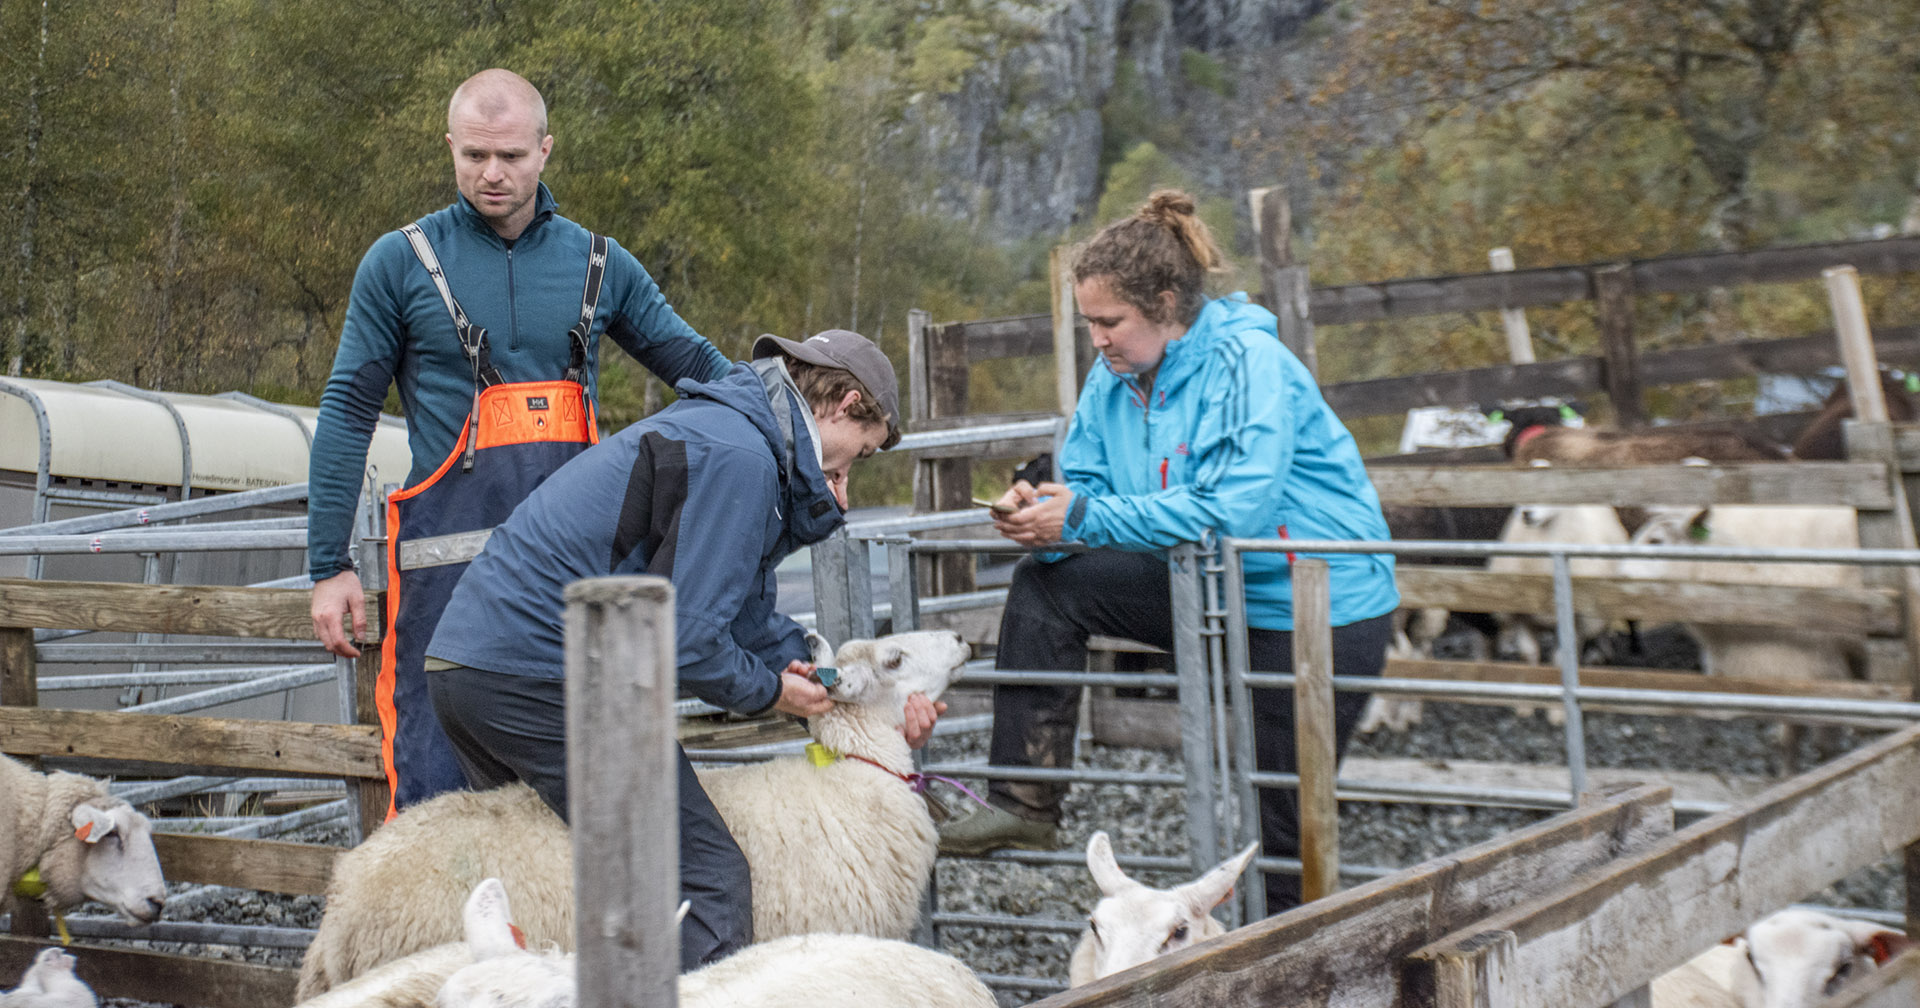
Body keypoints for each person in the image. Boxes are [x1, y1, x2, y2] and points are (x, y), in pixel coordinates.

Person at [935, 190, 1398, 915]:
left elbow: (1234, 507)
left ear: (1166, 301)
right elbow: (1087, 484)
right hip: (1209, 588)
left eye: (1109, 321)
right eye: (1089, 322)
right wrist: (1043, 509)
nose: (1098, 338)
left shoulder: (1251, 362)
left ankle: (1288, 976)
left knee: (1282, 827)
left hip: (1315, 604)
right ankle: (1023, 797)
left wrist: (1085, 515)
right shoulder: (1113, 377)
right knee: (1050, 580)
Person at [422, 329, 940, 969]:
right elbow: (690, 641)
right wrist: (774, 691)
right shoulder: (743, 458)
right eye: (860, 453)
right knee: (708, 879)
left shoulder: (730, 433)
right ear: (846, 403)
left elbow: (728, 607)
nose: (847, 477)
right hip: (539, 676)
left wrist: (811, 664)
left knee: (548, 872)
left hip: (474, 665)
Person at [305, 69, 729, 815]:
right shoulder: (400, 264)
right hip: (446, 598)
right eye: (473, 156)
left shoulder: (601, 265)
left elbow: (701, 371)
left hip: (577, 589)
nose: (491, 174)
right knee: (442, 805)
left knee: (591, 800)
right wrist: (327, 563)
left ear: (545, 150)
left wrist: (798, 434)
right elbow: (346, 411)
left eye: (510, 157)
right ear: (449, 148)